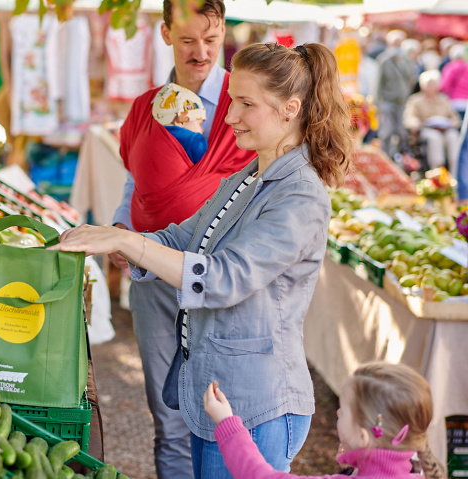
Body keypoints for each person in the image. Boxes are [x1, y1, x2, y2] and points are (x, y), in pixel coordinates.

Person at [52, 42, 353, 479]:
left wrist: (134, 246)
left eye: (246, 104)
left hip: (258, 406)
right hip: (217, 395)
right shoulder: (247, 177)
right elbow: (184, 237)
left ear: (291, 108)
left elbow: (225, 278)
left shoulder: (301, 194)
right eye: (232, 100)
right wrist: (117, 238)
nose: (229, 116)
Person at [108, 1, 256, 476]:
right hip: (153, 275)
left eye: (212, 40)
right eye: (189, 39)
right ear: (166, 33)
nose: (202, 52)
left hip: (220, 283)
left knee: (224, 414)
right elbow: (136, 183)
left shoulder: (247, 105)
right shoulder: (145, 108)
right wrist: (120, 229)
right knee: (167, 415)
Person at [204, 361, 447, 479]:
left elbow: (258, 475)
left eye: (343, 409)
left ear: (364, 436)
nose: (338, 413)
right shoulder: (417, 469)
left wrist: (227, 423)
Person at [403, 70, 461, 173]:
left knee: (453, 136)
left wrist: (452, 123)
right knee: (435, 138)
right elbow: (409, 118)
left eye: (432, 84)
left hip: (445, 130)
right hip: (427, 129)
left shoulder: (443, 99)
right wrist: (415, 123)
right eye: (427, 84)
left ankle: (454, 171)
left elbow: (455, 118)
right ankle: (437, 171)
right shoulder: (415, 100)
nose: (430, 87)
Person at [375, 30, 418, 159]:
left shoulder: (406, 60)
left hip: (403, 101)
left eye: (399, 42)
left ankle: (396, 156)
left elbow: (412, 77)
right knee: (387, 130)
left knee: (401, 131)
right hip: (388, 100)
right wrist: (377, 102)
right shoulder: (384, 60)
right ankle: (384, 155)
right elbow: (378, 82)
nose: (398, 45)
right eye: (395, 42)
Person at [153, 82, 209, 164]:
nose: (203, 129)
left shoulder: (153, 136)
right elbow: (208, 162)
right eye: (200, 124)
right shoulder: (193, 141)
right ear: (180, 120)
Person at [440, 43, 468, 121]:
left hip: (454, 101)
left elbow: (444, 85)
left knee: (457, 124)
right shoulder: (466, 67)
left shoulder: (450, 67)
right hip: (466, 101)